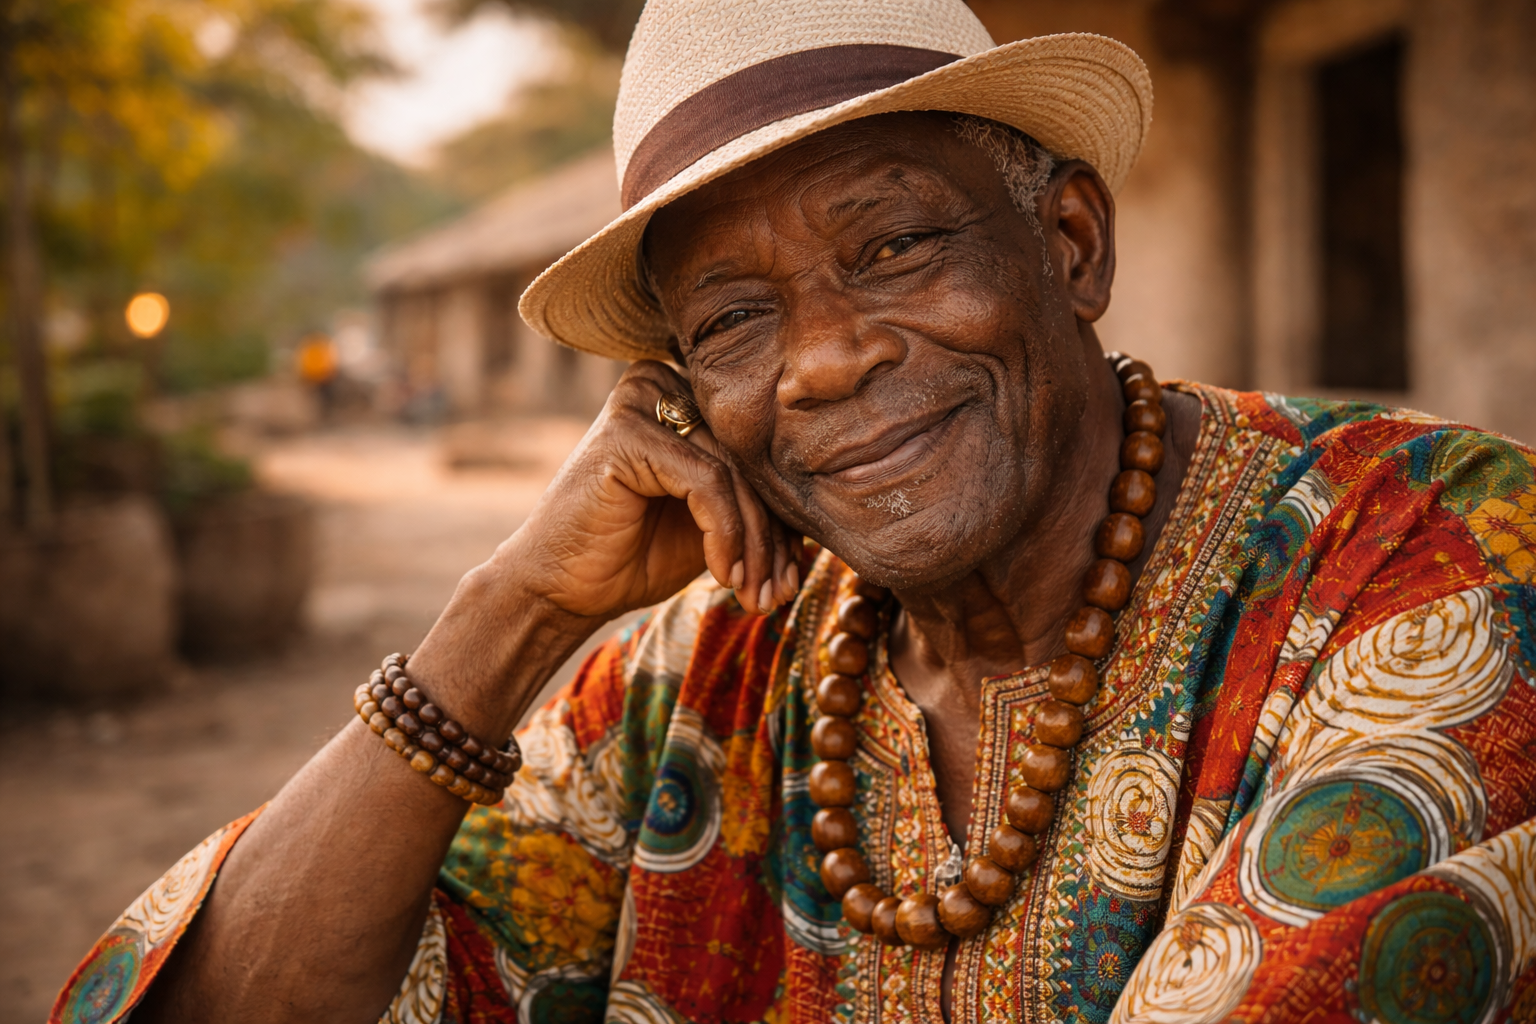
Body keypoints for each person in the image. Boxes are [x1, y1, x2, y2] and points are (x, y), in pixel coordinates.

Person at [54, 1, 1536, 1021]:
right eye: (735, 321)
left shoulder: (1428, 557)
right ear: (685, 394)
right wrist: (510, 612)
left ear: (1069, 246)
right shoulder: (703, 674)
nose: (826, 360)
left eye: (893, 244)